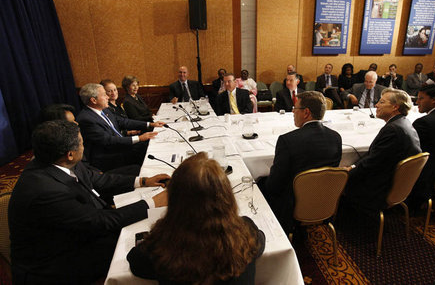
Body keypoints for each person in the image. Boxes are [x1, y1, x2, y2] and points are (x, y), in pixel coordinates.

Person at [8, 120, 169, 284]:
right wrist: (152, 203)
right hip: (51, 263)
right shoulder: (45, 191)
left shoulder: (58, 160)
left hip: (76, 232)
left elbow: (99, 180)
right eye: (82, 143)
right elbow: (99, 221)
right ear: (70, 153)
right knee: (144, 253)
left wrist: (143, 181)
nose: (84, 148)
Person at [127, 152, 265, 284]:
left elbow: (135, 261)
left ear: (174, 199)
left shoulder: (160, 246)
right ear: (226, 196)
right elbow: (261, 241)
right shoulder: (246, 233)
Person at [259, 91, 342, 232]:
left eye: (295, 109)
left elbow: (274, 185)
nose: (292, 112)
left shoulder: (288, 140)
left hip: (292, 207)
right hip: (325, 202)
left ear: (306, 113)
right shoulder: (336, 137)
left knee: (260, 183)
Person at [343, 88, 421, 212]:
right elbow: (376, 156)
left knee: (338, 180)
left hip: (382, 187)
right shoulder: (402, 123)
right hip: (396, 182)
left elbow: (373, 163)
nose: (377, 105)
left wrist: (348, 172)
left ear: (395, 107)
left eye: (382, 102)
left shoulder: (393, 130)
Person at [76, 83, 164, 172]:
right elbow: (108, 140)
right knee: (146, 151)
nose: (107, 97)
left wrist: (150, 124)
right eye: (104, 95)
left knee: (151, 144)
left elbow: (123, 121)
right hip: (109, 156)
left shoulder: (104, 109)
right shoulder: (86, 119)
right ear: (93, 100)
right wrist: (139, 138)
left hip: (120, 146)